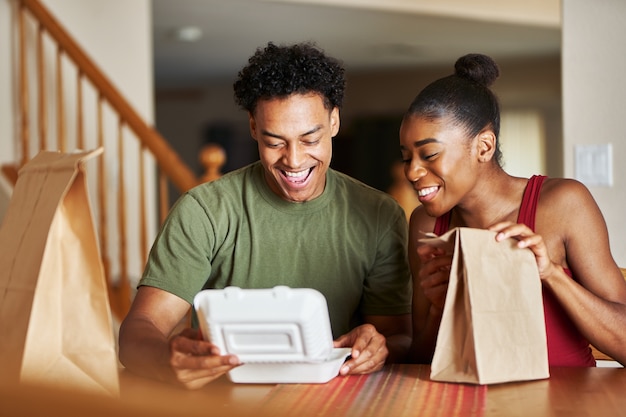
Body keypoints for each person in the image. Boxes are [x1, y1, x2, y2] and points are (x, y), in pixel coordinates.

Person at [119, 42, 412, 389]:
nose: (294, 160)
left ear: (334, 121)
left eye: (309, 139)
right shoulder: (204, 210)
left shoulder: (379, 214)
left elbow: (397, 338)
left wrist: (377, 347)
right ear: (254, 128)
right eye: (275, 142)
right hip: (223, 402)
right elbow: (138, 331)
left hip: (332, 400)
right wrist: (167, 361)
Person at [400, 53, 626, 367]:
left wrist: (550, 275)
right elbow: (420, 360)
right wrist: (441, 309)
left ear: (484, 146)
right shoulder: (425, 225)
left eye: (429, 154)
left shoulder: (563, 203)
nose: (412, 172)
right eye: (406, 157)